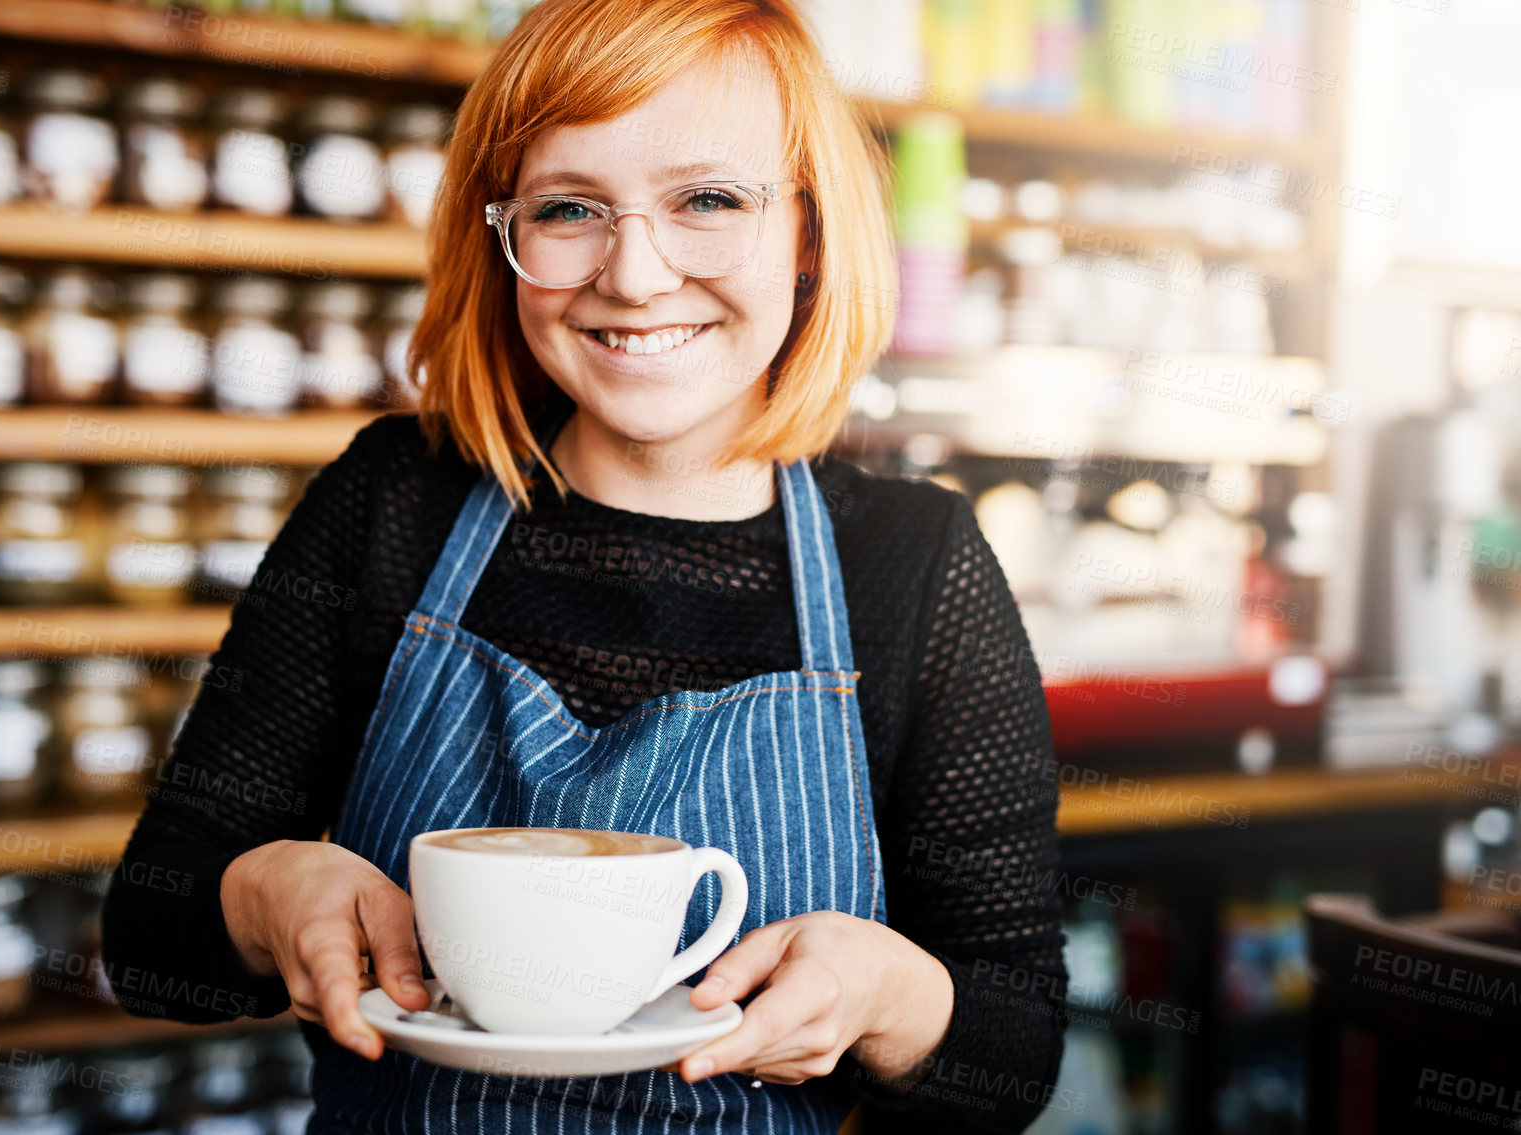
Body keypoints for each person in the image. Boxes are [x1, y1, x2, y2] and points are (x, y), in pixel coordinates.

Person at [102, 0, 1068, 1131]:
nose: (636, 275)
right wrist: (264, 893)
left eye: (708, 201)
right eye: (569, 209)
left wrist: (891, 997)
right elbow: (149, 943)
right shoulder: (392, 500)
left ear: (811, 233)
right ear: (499, 238)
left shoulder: (909, 558)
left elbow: (1017, 1048)